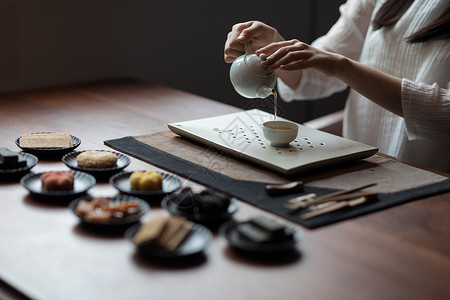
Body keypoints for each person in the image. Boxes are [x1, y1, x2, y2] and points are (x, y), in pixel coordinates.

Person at [224, 0, 450, 173]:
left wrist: (341, 67)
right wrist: (273, 47)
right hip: (360, 167)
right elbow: (318, 74)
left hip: (430, 180)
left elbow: (445, 113)